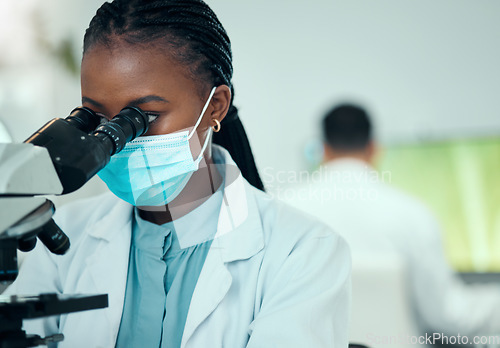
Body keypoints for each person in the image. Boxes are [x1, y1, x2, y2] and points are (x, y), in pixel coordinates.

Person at [4, 1, 351, 347]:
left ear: (215, 107)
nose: (117, 141)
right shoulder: (62, 237)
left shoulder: (302, 251)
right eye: (96, 117)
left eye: (145, 117)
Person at [284, 103, 500, 339]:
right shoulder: (412, 213)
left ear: (323, 150)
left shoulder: (282, 209)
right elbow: (448, 315)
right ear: (374, 149)